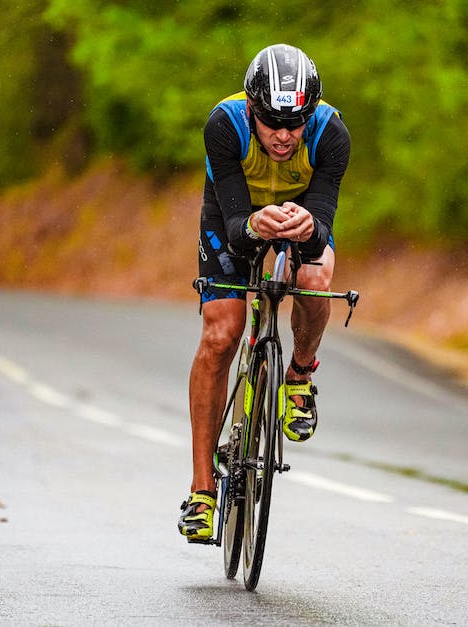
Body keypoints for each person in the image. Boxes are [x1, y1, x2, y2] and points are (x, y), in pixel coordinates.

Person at [179, 43, 351, 541]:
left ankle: (297, 378)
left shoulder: (332, 133)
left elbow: (322, 228)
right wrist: (254, 222)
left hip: (299, 218)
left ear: (311, 116)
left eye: (295, 123)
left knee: (316, 282)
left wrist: (306, 224)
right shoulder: (224, 125)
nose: (283, 135)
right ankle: (202, 492)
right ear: (252, 109)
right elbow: (233, 226)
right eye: (272, 122)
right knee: (221, 333)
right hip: (236, 217)